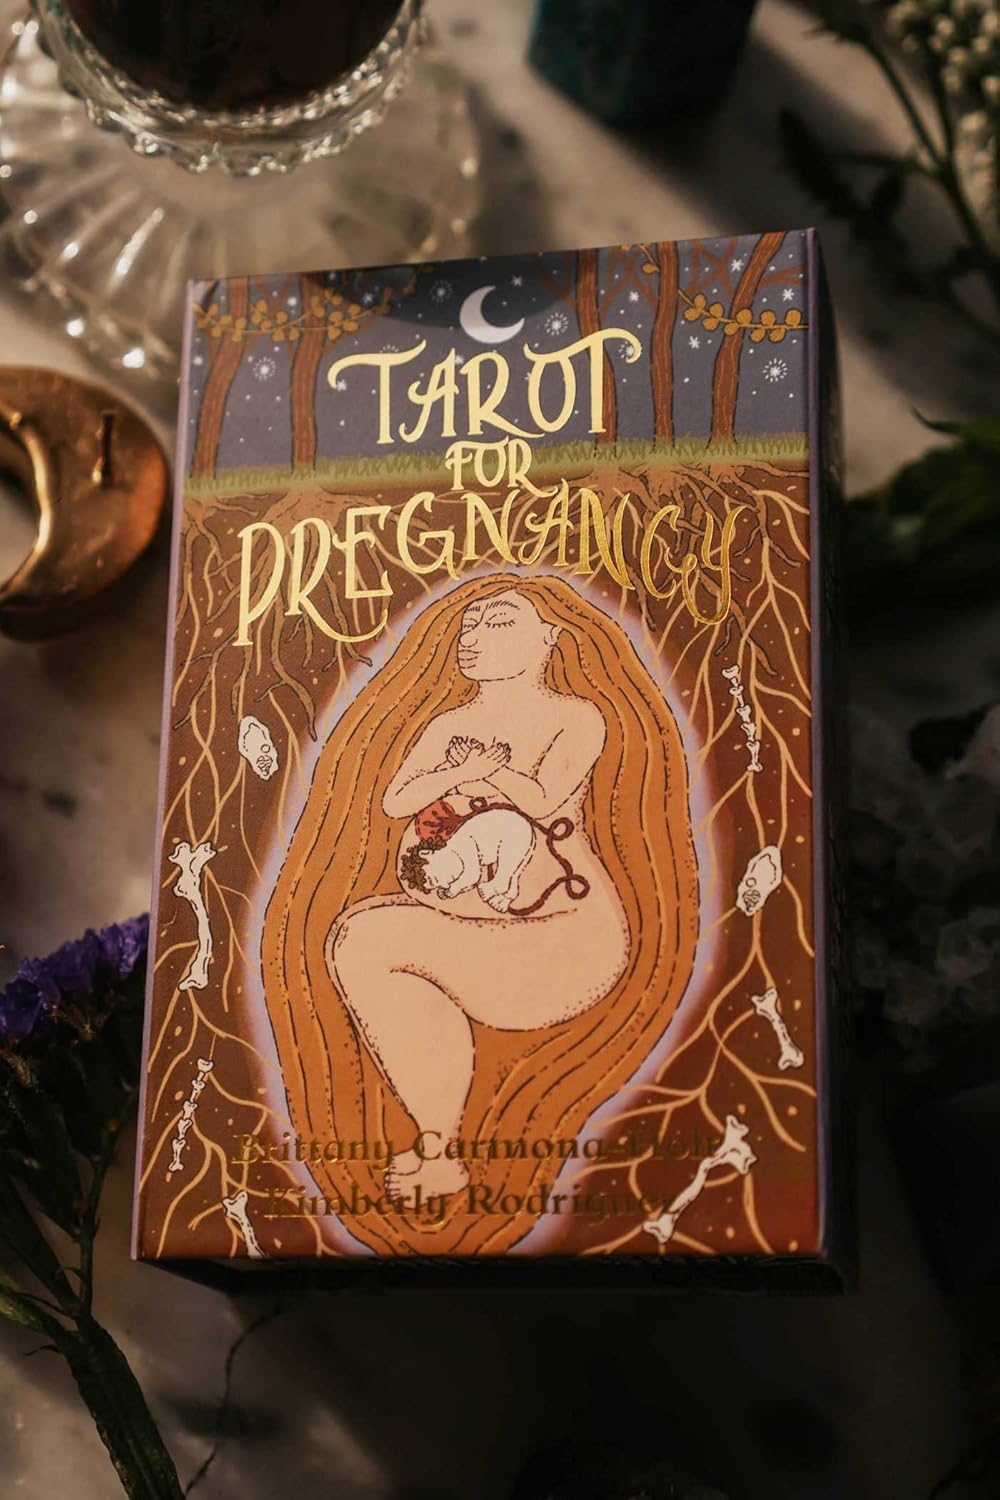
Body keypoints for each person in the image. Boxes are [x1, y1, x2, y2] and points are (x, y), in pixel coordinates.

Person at [262, 573, 699, 1254]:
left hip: (557, 932)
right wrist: (460, 771)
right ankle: (438, 1148)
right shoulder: (448, 726)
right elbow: (397, 800)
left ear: (547, 639)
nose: (473, 638)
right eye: (468, 626)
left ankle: (441, 1150)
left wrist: (484, 772)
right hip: (461, 921)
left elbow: (543, 797)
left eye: (498, 624)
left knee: (379, 934)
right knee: (361, 942)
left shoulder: (576, 716)